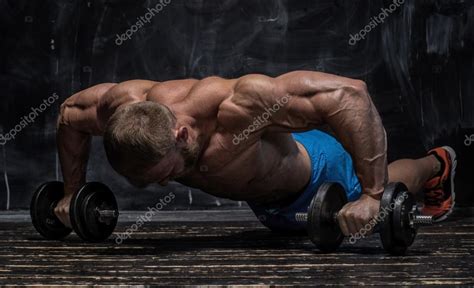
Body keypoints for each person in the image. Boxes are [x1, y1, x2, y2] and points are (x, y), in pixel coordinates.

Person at [54, 71, 456, 236]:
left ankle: (437, 164)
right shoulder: (121, 109)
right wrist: (73, 193)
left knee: (388, 186)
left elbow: (349, 94)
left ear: (181, 134)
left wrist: (371, 197)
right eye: (150, 181)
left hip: (317, 174)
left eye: (165, 172)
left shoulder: (235, 107)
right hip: (268, 203)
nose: (164, 183)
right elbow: (70, 115)